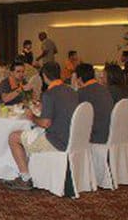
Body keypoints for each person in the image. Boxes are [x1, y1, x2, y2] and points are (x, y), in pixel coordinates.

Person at [6, 62, 78, 191]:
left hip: (57, 140)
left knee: (13, 137)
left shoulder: (49, 94)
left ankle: (25, 178)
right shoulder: (70, 90)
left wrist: (32, 117)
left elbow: (45, 123)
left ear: (44, 76)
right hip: (72, 137)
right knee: (31, 132)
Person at [75, 63, 113, 145]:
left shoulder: (82, 93)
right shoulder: (105, 89)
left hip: (94, 136)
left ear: (79, 79)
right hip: (109, 133)